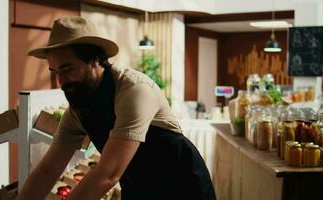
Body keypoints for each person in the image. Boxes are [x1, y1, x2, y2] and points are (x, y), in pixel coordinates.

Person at [17, 16, 216, 200]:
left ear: (94, 60)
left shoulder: (135, 90)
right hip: (137, 187)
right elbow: (48, 170)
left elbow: (108, 174)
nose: (61, 80)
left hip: (182, 186)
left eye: (67, 69)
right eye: (55, 71)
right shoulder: (77, 111)